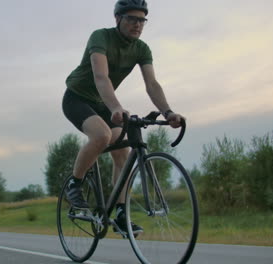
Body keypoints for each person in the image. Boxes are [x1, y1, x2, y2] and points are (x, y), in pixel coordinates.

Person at [62, 0, 184, 235]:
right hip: (77, 98)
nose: (137, 25)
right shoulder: (101, 37)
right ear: (118, 18)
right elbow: (101, 76)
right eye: (132, 19)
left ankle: (119, 213)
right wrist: (117, 106)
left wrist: (168, 112)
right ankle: (74, 184)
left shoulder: (141, 49)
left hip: (102, 102)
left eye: (142, 20)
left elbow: (152, 84)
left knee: (122, 151)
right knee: (102, 135)